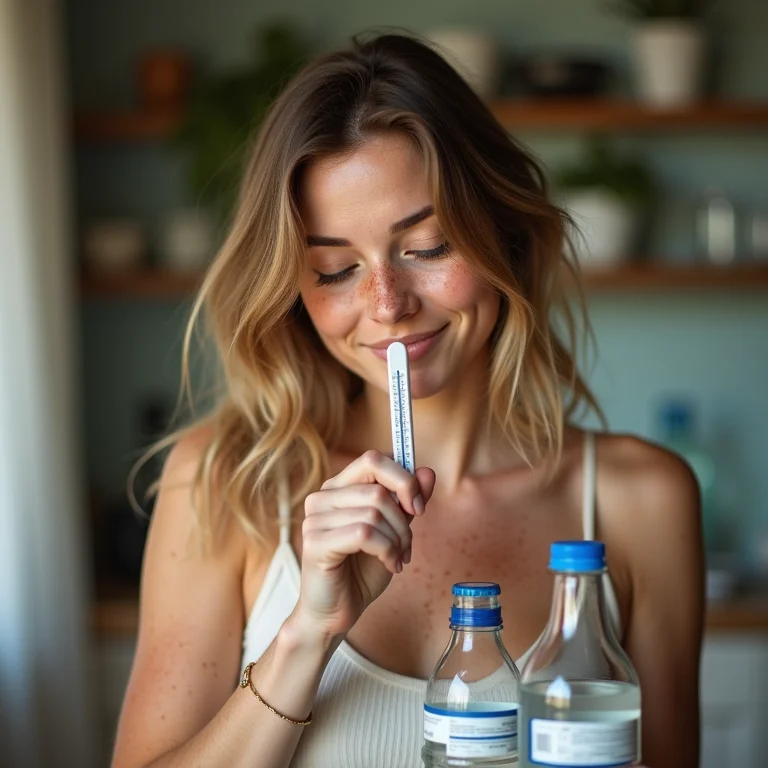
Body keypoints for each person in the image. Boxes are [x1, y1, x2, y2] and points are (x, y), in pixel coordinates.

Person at [111, 33, 704, 768]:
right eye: (334, 269)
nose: (386, 304)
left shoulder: (641, 501)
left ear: (506, 237)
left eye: (426, 248)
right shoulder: (221, 482)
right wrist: (307, 634)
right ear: (292, 291)